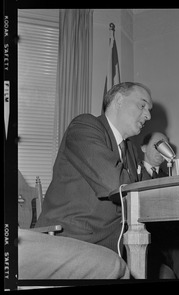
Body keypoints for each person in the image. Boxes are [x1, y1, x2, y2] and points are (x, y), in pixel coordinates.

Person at [36, 82, 152, 257]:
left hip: (114, 246)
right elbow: (114, 183)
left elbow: (151, 191)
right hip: (71, 239)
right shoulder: (84, 126)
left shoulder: (131, 149)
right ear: (119, 100)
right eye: (142, 105)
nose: (148, 115)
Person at [139, 132, 179, 279]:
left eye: (166, 145)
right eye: (158, 145)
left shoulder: (170, 176)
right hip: (144, 237)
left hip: (170, 238)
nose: (162, 149)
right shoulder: (133, 173)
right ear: (144, 148)